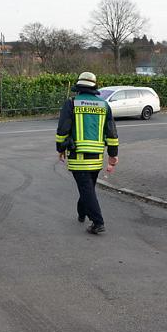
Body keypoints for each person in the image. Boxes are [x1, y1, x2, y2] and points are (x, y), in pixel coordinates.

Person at [55, 72, 119, 234]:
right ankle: (81, 212)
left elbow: (63, 130)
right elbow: (111, 133)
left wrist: (60, 149)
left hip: (78, 156)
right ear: (94, 87)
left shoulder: (71, 104)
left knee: (86, 188)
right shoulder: (104, 105)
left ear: (78, 88)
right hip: (97, 158)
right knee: (87, 187)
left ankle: (98, 222)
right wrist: (112, 156)